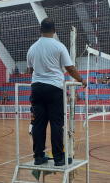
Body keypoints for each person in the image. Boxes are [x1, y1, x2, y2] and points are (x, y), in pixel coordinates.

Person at [27, 18, 87, 166]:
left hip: (36, 88)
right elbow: (70, 68)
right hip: (54, 88)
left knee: (39, 124)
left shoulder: (32, 48)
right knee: (56, 123)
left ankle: (38, 156)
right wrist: (81, 80)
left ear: (40, 30)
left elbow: (31, 70)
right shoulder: (59, 46)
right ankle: (59, 158)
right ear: (54, 31)